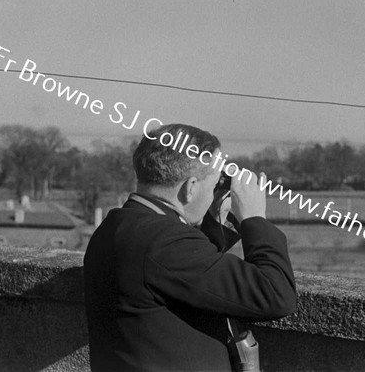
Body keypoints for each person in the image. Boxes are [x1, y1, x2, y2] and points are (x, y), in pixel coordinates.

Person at [84, 123, 296, 371]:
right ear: (191, 187)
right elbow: (275, 295)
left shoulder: (116, 227)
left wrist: (219, 223)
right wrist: (254, 220)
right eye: (216, 182)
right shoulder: (163, 243)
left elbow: (183, 275)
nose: (216, 189)